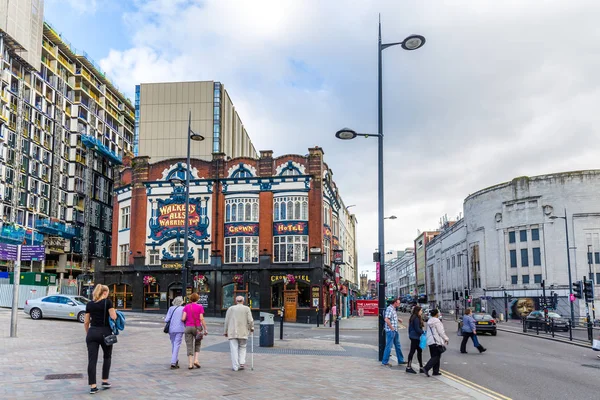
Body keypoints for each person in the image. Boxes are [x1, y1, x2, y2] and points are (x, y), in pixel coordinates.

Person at [84, 284, 117, 395]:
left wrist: (88, 332)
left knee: (92, 360)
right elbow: (113, 317)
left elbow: (86, 321)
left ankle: (93, 386)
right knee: (107, 356)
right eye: (107, 292)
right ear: (104, 293)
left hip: (92, 332)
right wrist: (114, 311)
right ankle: (104, 381)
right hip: (105, 333)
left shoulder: (89, 304)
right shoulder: (108, 302)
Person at [224, 295, 254, 371]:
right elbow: (250, 320)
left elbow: (226, 321)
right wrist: (251, 328)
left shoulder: (230, 309)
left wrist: (225, 331)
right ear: (243, 301)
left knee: (234, 349)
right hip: (243, 332)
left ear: (236, 301)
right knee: (243, 347)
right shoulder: (247, 309)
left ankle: (235, 366)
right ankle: (242, 363)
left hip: (232, 332)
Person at [181, 293, 207, 369]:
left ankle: (190, 364)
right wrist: (205, 328)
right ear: (198, 299)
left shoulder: (186, 307)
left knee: (189, 345)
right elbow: (201, 319)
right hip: (197, 328)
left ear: (190, 299)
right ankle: (196, 360)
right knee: (197, 344)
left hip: (188, 327)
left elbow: (183, 318)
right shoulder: (200, 307)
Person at [423, 309, 448, 377]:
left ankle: (435, 371)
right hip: (436, 341)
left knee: (435, 356)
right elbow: (440, 332)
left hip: (430, 341)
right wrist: (446, 338)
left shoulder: (429, 321)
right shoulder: (437, 322)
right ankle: (426, 368)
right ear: (437, 314)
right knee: (436, 356)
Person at [382, 298, 405, 367]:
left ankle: (401, 360)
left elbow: (391, 317)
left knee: (398, 345)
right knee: (389, 346)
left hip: (395, 330)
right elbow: (386, 319)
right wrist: (391, 328)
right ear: (395, 302)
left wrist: (398, 319)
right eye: (398, 303)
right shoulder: (390, 309)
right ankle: (385, 361)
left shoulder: (393, 309)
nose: (399, 304)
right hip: (391, 331)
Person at [164, 296, 185, 369]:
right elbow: (184, 318)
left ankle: (175, 359)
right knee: (177, 345)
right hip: (180, 329)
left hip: (171, 329)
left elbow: (166, 320)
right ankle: (173, 361)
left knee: (173, 344)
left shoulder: (171, 308)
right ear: (181, 302)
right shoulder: (183, 309)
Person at [406, 305, 424, 374]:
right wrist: (423, 332)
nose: (421, 312)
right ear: (418, 311)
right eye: (421, 311)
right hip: (415, 337)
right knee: (413, 351)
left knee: (419, 351)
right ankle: (408, 367)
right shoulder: (416, 318)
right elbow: (417, 329)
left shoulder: (413, 317)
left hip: (413, 336)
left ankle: (421, 367)